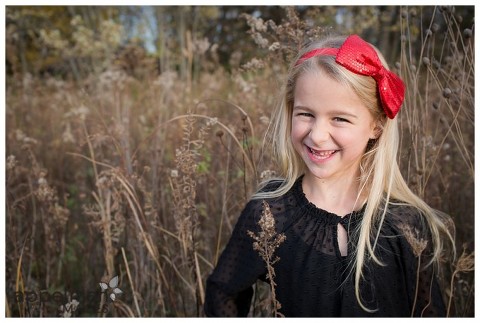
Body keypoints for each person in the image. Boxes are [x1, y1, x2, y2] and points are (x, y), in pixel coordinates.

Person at [204, 34, 455, 317]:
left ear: (377, 125)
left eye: (340, 118)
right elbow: (223, 289)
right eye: (306, 114)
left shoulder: (406, 224)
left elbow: (430, 312)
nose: (318, 135)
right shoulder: (270, 214)